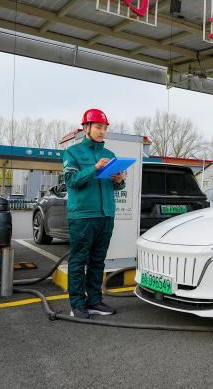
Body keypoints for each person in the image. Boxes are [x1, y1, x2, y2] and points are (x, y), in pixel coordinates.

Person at [62, 109, 125, 319]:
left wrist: (119, 181)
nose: (102, 131)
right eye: (98, 127)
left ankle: (94, 301)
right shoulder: (73, 153)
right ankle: (77, 304)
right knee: (79, 261)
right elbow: (71, 181)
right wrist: (94, 168)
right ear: (86, 127)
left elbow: (116, 187)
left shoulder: (110, 155)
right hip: (82, 216)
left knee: (98, 260)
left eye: (104, 127)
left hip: (106, 215)